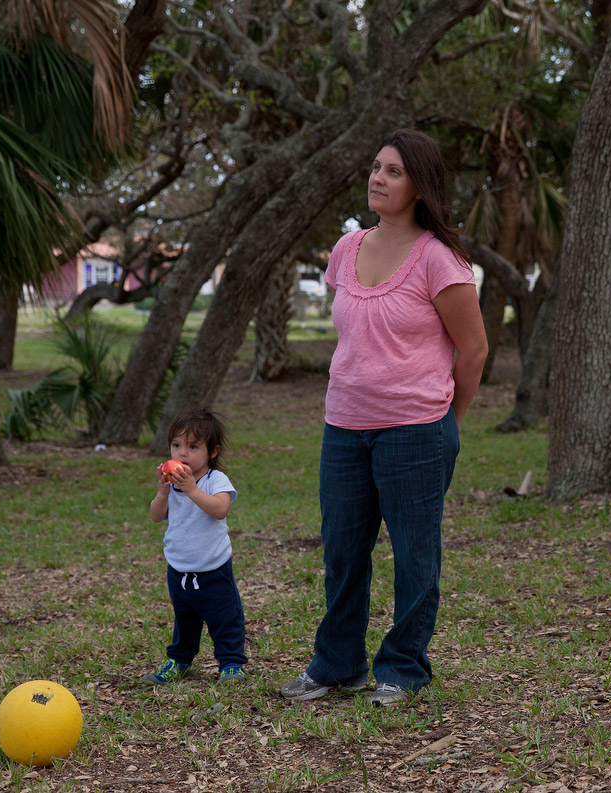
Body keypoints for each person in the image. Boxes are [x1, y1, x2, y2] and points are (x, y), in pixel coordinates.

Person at [280, 129, 487, 708]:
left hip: (416, 431)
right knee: (343, 553)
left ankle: (401, 671)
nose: (378, 178)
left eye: (394, 171)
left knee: (415, 557)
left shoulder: (439, 260)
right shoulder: (347, 249)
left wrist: (447, 422)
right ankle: (337, 667)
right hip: (343, 426)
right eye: (376, 167)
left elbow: (472, 351)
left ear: (420, 186)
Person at [146, 410, 247, 685]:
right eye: (176, 445)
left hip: (213, 569)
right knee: (184, 619)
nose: (183, 453)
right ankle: (180, 660)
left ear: (212, 451)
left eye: (193, 447)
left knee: (225, 618)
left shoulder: (215, 481)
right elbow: (156, 516)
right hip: (179, 568)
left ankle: (231, 663)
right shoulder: (172, 483)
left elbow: (220, 510)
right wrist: (163, 492)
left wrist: (191, 489)